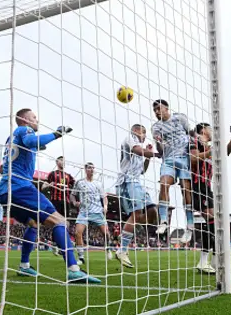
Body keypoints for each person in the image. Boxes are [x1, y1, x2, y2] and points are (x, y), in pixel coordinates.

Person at [0, 108, 100, 283]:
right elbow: (30, 141)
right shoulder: (24, 130)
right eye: (34, 117)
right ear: (24, 119)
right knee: (61, 221)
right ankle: (73, 270)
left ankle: (24, 266)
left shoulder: (10, 138)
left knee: (33, 223)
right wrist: (57, 134)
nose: (37, 120)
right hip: (20, 187)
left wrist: (37, 145)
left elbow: (25, 149)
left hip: (5, 191)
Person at [190, 121, 231, 274]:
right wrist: (209, 152)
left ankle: (212, 262)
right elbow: (193, 158)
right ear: (203, 130)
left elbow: (224, 153)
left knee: (216, 224)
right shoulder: (195, 141)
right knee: (212, 222)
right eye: (210, 128)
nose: (212, 131)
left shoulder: (211, 147)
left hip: (207, 187)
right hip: (197, 185)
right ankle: (207, 262)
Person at [115, 124, 160, 268]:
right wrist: (156, 154)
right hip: (127, 182)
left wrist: (149, 157)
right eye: (143, 131)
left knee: (152, 211)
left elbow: (143, 171)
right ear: (135, 130)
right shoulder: (130, 138)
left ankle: (129, 231)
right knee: (136, 214)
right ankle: (122, 250)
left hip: (137, 182)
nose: (145, 135)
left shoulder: (140, 153)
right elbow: (137, 150)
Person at [152, 99, 193, 243]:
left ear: (166, 108)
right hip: (168, 160)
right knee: (163, 184)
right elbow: (161, 151)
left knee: (186, 191)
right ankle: (163, 221)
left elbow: (191, 133)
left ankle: (189, 226)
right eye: (154, 110)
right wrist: (158, 142)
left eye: (159, 108)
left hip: (184, 159)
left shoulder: (179, 118)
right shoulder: (156, 128)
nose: (157, 112)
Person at [72, 163, 109, 265]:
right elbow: (72, 195)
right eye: (89, 168)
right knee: (77, 233)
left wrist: (105, 206)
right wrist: (75, 202)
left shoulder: (98, 183)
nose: (92, 169)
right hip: (84, 212)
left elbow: (104, 197)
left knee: (106, 234)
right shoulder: (79, 182)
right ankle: (81, 257)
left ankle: (108, 249)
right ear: (85, 169)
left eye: (93, 168)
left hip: (97, 212)